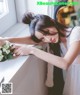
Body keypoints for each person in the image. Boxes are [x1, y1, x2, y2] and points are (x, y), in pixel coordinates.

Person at [0, 12, 80, 95]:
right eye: (43, 38)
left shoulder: (76, 32)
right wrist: (7, 40)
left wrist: (32, 50)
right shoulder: (56, 38)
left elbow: (65, 63)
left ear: (52, 21)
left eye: (46, 32)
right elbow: (33, 40)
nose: (48, 39)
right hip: (75, 76)